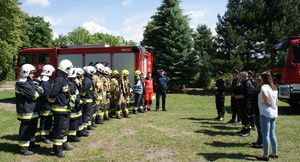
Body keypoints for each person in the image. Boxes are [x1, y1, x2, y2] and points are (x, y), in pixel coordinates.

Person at [15, 64, 43, 155]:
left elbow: (40, 90)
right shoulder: (22, 84)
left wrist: (37, 90)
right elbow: (34, 95)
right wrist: (37, 90)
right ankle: (23, 148)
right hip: (26, 111)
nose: (33, 75)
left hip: (31, 111)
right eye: (31, 73)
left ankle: (31, 144)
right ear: (26, 73)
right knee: (26, 130)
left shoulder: (28, 82)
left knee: (32, 129)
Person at [48, 59, 73, 157]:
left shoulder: (63, 78)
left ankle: (63, 144)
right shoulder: (59, 79)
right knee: (59, 129)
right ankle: (57, 149)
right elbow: (54, 93)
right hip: (60, 109)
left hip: (65, 108)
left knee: (64, 128)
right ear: (66, 69)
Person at [256, 72, 278, 161]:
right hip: (273, 113)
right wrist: (272, 105)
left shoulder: (264, 87)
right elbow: (276, 101)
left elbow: (265, 94)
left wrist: (265, 101)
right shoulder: (274, 87)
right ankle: (275, 153)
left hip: (265, 113)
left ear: (263, 78)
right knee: (272, 133)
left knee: (266, 134)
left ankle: (265, 155)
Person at [37, 64, 55, 144]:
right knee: (45, 121)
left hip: (45, 104)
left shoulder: (42, 79)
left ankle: (48, 134)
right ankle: (44, 137)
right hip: (46, 105)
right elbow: (48, 94)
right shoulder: (45, 82)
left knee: (48, 120)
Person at [235, 71, 255, 137]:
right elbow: (237, 89)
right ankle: (244, 129)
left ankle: (247, 131)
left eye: (240, 76)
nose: (238, 77)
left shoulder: (248, 83)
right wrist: (238, 83)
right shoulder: (243, 83)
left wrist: (238, 96)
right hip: (242, 103)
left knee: (246, 117)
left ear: (244, 76)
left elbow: (247, 94)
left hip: (246, 103)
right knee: (243, 117)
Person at [252, 75, 263, 149]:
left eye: (257, 81)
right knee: (258, 127)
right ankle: (259, 141)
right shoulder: (258, 88)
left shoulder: (261, 90)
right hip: (256, 110)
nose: (255, 82)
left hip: (259, 111)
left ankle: (260, 143)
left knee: (260, 128)